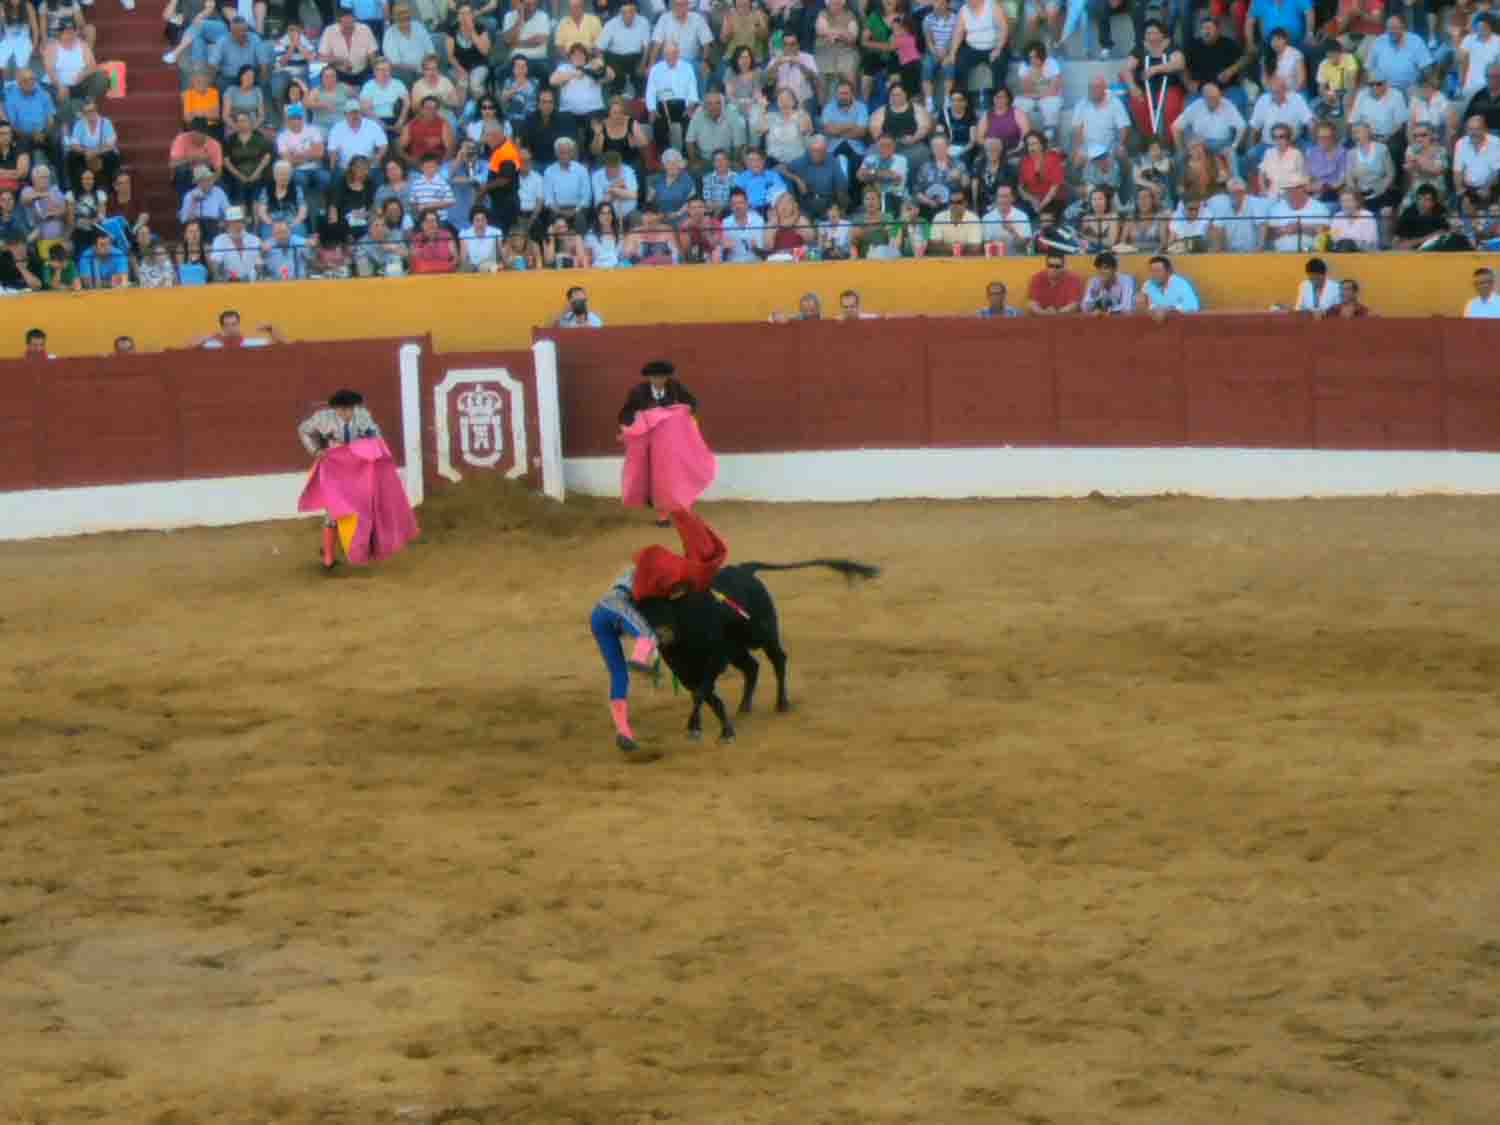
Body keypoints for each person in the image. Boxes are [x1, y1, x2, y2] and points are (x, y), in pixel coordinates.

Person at [297, 389, 383, 570]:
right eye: (342, 410)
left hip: (357, 467)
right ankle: (328, 557)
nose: (347, 413)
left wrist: (371, 448)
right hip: (333, 468)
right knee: (334, 511)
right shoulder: (323, 418)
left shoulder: (362, 416)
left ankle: (358, 549)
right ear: (335, 409)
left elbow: (375, 435)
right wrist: (316, 450)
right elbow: (304, 430)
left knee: (363, 506)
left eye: (350, 409)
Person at [589, 560, 664, 758]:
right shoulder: (647, 573)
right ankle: (639, 660)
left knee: (619, 675)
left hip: (598, 615)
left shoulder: (636, 571)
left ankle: (624, 732)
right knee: (648, 636)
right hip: (616, 605)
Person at [192, 308, 288, 348]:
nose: (231, 328)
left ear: (238, 325)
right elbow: (188, 348)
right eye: (227, 325)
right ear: (222, 327)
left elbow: (283, 344)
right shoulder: (213, 345)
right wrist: (209, 337)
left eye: (234, 324)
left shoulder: (251, 343)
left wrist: (271, 328)